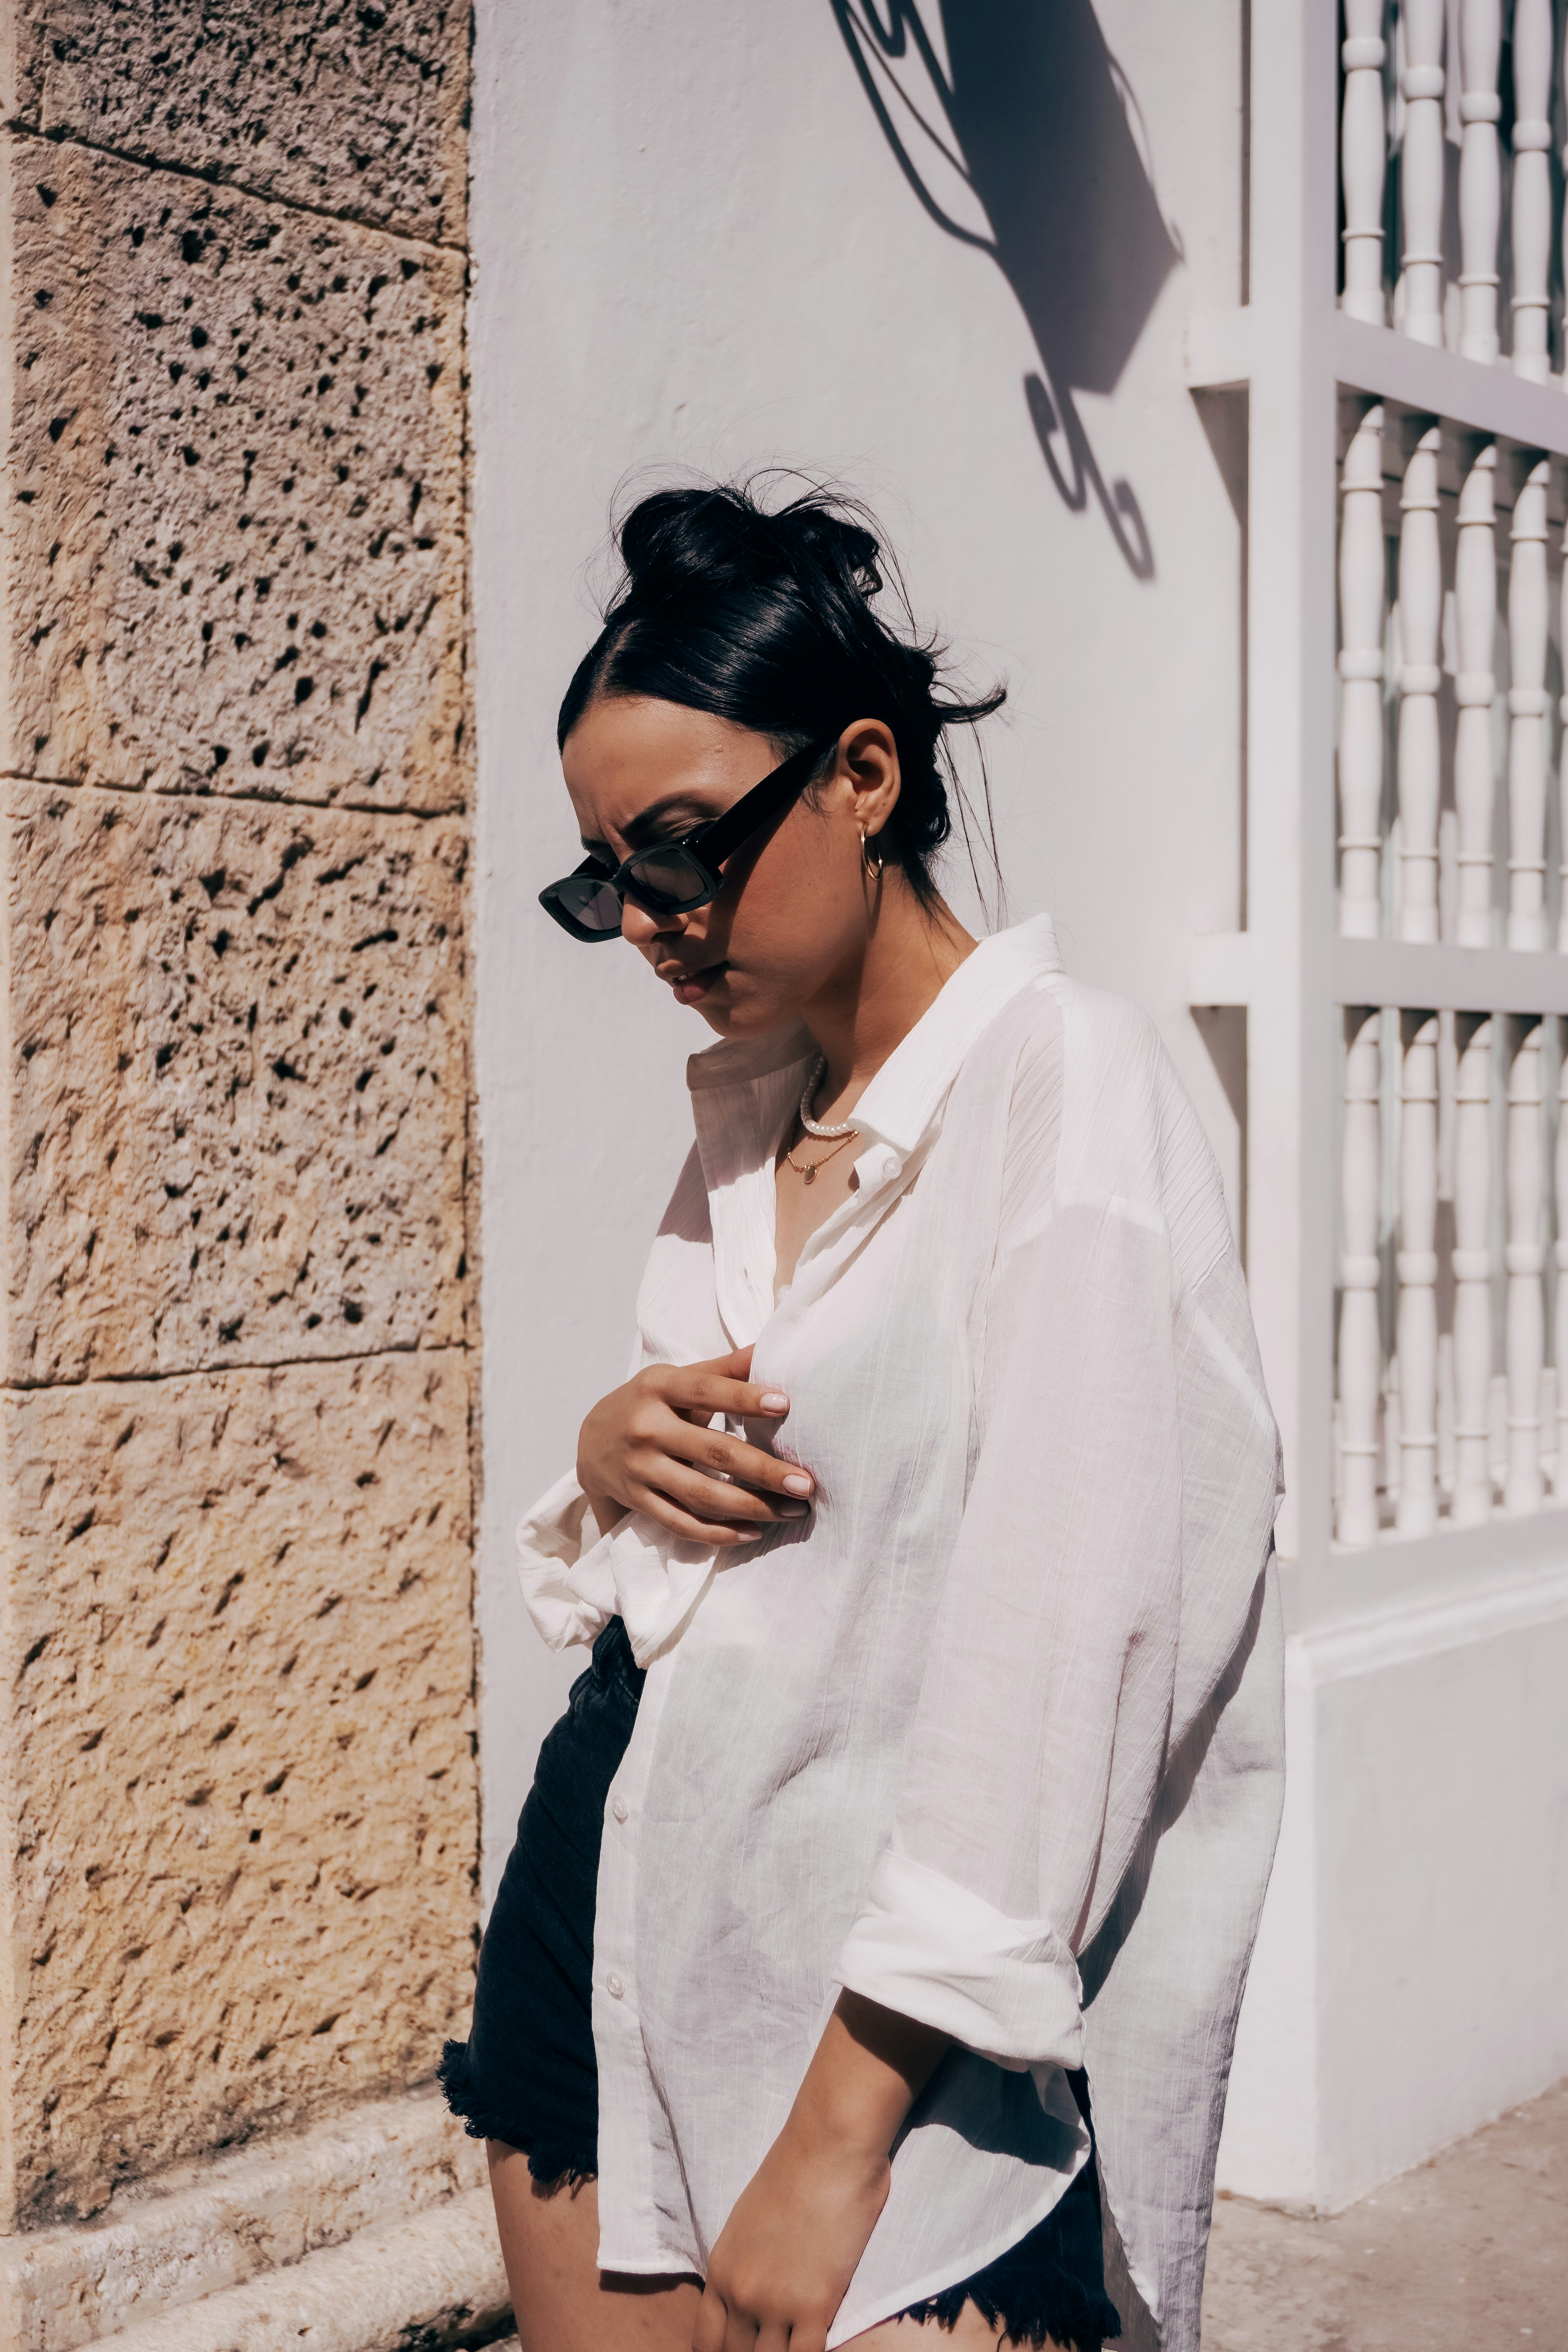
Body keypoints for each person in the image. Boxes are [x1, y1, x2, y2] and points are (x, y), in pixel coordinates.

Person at [439, 480, 1285, 2352]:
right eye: (604, 879)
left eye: (680, 849)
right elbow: (725, 1578)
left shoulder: (1069, 1087)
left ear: (864, 775)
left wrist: (841, 2135)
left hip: (902, 2034)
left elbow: (1071, 1639)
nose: (649, 921)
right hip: (622, 1908)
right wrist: (604, 1464)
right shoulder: (758, 1114)